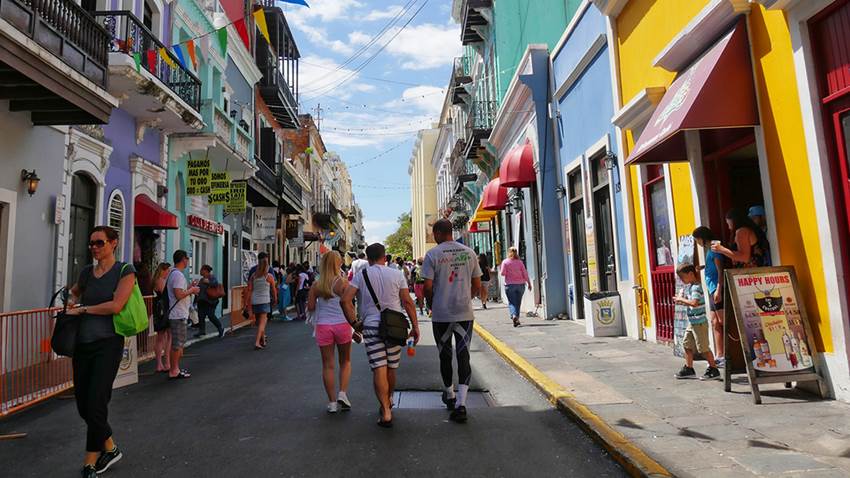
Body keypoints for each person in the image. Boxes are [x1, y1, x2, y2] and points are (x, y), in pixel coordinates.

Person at [65, 226, 134, 477]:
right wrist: (70, 303)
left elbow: (116, 306)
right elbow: (73, 294)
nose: (94, 247)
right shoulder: (86, 273)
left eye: (100, 243)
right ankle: (111, 448)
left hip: (108, 344)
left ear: (113, 243)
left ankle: (90, 463)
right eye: (91, 243)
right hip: (83, 345)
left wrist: (83, 310)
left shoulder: (124, 271)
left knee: (96, 404)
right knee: (84, 405)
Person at [341, 243, 420, 428]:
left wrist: (354, 324)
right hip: (394, 327)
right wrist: (415, 327)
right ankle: (390, 400)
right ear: (385, 257)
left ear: (368, 259)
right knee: (391, 368)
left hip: (371, 326)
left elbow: (345, 300)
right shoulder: (397, 274)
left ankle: (385, 410)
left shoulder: (361, 275)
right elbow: (407, 302)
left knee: (379, 368)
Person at [422, 219, 482, 423]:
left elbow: (428, 287)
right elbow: (477, 283)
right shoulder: (469, 252)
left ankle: (449, 393)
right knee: (464, 356)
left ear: (439, 233)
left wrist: (432, 305)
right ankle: (462, 403)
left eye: (433, 233)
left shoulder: (433, 255)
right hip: (464, 314)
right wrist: (467, 297)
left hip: (442, 314)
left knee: (444, 355)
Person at [307, 251, 354, 413]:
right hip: (342, 325)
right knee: (345, 361)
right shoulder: (343, 283)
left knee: (328, 365)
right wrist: (356, 326)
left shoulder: (316, 285)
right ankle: (342, 393)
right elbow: (349, 306)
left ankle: (332, 403)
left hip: (323, 326)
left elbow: (311, 307)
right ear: (338, 264)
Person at [673, 264, 720, 380]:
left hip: (699, 322)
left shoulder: (695, 287)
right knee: (687, 344)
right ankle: (689, 368)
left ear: (690, 274)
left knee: (703, 348)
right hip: (692, 322)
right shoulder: (690, 286)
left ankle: (713, 369)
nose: (682, 280)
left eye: (683, 277)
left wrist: (681, 300)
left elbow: (694, 303)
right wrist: (682, 301)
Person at [692, 227, 726, 366]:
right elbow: (712, 265)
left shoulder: (714, 248)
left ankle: (729, 354)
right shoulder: (708, 250)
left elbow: (720, 269)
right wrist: (704, 267)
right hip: (711, 289)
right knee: (714, 322)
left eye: (697, 239)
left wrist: (719, 289)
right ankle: (720, 355)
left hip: (716, 289)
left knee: (723, 321)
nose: (697, 242)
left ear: (702, 237)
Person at [167, 250, 199, 380]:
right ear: (183, 259)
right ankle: (174, 370)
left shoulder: (174, 274)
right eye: (187, 258)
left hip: (178, 313)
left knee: (178, 343)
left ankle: (175, 368)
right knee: (177, 344)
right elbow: (178, 294)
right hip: (178, 314)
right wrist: (192, 290)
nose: (188, 260)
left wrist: (189, 287)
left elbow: (179, 292)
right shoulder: (178, 275)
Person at [246, 256, 277, 350]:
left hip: (255, 300)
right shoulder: (269, 276)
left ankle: (263, 339)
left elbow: (250, 290)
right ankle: (257, 342)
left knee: (260, 322)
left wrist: (247, 303)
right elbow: (273, 289)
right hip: (264, 300)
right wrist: (275, 299)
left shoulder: (253, 276)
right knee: (263, 323)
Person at [500, 247, 532, 327]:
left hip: (510, 285)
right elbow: (525, 273)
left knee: (512, 302)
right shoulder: (520, 262)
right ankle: (516, 319)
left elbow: (502, 273)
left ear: (508, 252)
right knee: (518, 302)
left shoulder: (505, 262)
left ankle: (514, 316)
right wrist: (529, 283)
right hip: (520, 285)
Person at [195, 265, 225, 339]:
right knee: (201, 316)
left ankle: (220, 328)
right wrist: (195, 300)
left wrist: (208, 282)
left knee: (211, 316)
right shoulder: (202, 280)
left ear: (205, 270)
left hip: (210, 301)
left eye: (201, 270)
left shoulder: (211, 277)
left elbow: (215, 283)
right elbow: (199, 290)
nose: (200, 271)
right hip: (201, 301)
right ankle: (202, 331)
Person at [152, 262, 172, 373]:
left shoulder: (157, 279)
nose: (168, 273)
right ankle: (166, 362)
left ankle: (160, 363)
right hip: (163, 310)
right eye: (168, 270)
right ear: (163, 270)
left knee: (161, 337)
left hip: (159, 309)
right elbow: (166, 294)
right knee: (167, 336)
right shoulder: (161, 280)